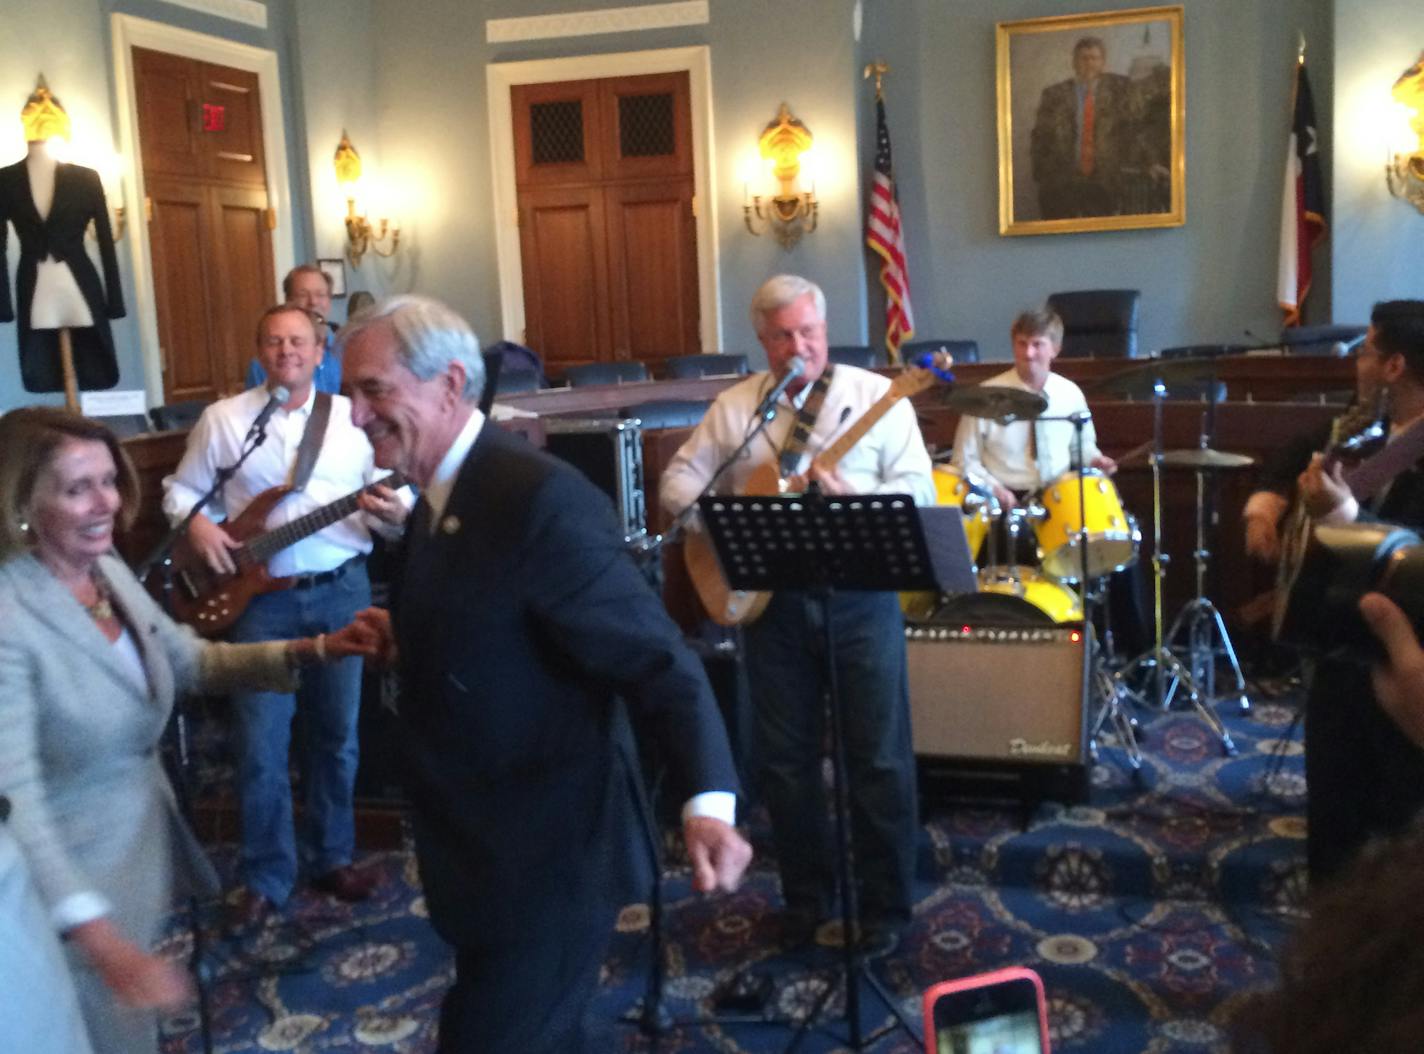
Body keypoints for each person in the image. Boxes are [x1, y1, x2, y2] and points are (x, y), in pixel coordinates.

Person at [337, 294, 750, 1052]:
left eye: (373, 391)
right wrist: (411, 634)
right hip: (483, 854)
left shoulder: (536, 499)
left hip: (548, 861)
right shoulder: (437, 492)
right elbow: (499, 614)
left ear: (451, 384)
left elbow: (655, 657)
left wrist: (707, 800)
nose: (356, 416)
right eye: (350, 395)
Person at [0, 407, 372, 1054]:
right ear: (22, 502)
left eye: (109, 482)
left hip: (133, 858)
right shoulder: (9, 616)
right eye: (77, 487)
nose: (107, 505)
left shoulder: (106, 571)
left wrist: (317, 649)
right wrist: (99, 938)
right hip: (59, 895)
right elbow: (16, 799)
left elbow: (190, 660)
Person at [660, 274, 934, 953]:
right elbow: (676, 485)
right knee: (784, 764)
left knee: (879, 759)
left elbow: (919, 491)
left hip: (861, 600)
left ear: (825, 328)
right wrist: (727, 525)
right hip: (771, 605)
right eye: (782, 335)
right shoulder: (736, 409)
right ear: (762, 340)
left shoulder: (876, 397)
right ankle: (805, 902)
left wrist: (857, 498)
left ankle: (886, 910)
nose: (797, 346)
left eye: (808, 332)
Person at [163, 304, 410, 927]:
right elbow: (180, 491)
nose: (286, 352)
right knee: (261, 746)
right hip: (258, 602)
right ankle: (265, 877)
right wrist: (199, 528)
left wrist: (392, 512)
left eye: (298, 341)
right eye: (273, 341)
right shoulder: (225, 421)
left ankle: (332, 856)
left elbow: (400, 491)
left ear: (319, 351)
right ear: (259, 351)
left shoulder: (355, 423)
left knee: (336, 739)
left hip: (339, 591)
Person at [1297, 299, 1424, 882]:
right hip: (1342, 657)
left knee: (1393, 840)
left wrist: (1347, 516)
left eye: (1367, 348)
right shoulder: (1373, 432)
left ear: (1395, 366)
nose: (1358, 359)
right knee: (1333, 832)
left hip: (1400, 670)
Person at [1029, 36, 1137, 220]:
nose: (1089, 64)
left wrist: (1147, 163)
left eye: (1094, 58)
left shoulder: (1119, 91)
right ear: (1074, 62)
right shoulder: (1054, 95)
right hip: (1063, 183)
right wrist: (1042, 176)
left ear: (1103, 63)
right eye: (1083, 58)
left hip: (1105, 182)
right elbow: (1040, 137)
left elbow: (1133, 129)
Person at [245, 264, 342, 393]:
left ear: (329, 301)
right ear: (288, 301)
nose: (313, 302)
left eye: (320, 295)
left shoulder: (346, 353)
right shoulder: (263, 364)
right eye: (303, 295)